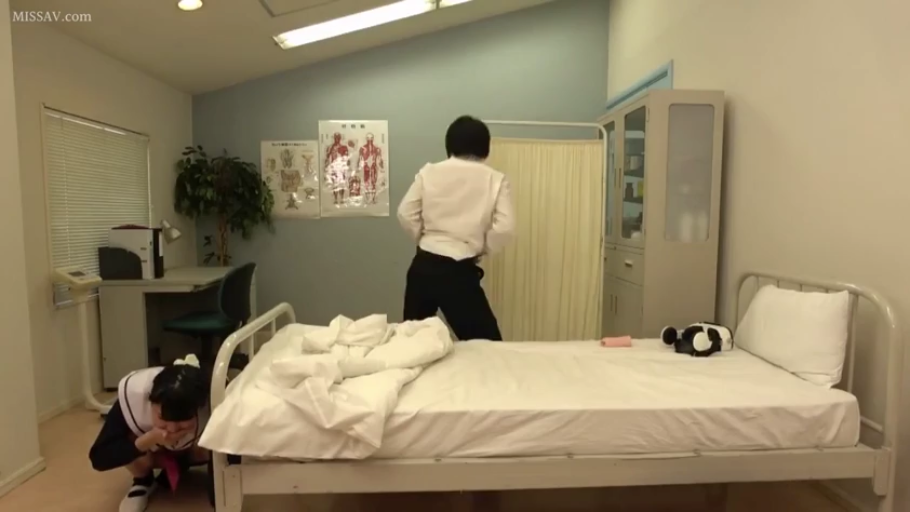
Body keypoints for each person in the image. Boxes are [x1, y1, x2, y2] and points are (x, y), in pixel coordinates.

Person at [397, 115, 515, 341]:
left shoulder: (429, 172)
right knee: (487, 347)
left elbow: (405, 213)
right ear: (486, 148)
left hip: (423, 267)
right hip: (458, 271)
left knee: (412, 344)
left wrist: (424, 239)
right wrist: (482, 248)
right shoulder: (495, 179)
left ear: (449, 146)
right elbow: (504, 228)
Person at [89, 355, 209, 512]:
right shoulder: (134, 397)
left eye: (182, 420)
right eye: (162, 417)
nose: (172, 429)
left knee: (215, 444)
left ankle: (182, 464)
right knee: (124, 437)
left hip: (190, 452)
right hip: (150, 454)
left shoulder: (213, 399)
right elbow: (99, 458)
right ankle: (143, 479)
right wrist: (147, 440)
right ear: (150, 402)